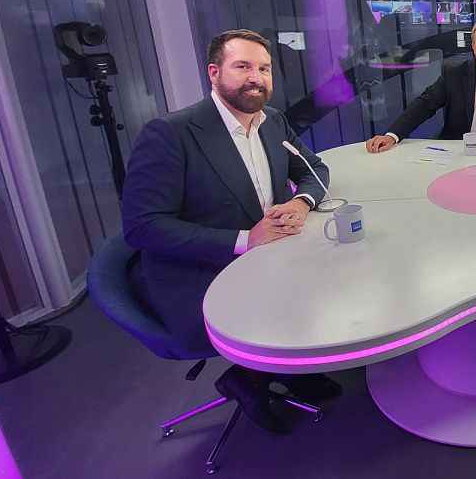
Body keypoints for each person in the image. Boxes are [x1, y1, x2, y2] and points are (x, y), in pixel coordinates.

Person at [122, 29, 340, 435]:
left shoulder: (273, 121)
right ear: (214, 73)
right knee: (287, 297)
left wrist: (301, 202)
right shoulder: (171, 133)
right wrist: (245, 240)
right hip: (201, 270)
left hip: (269, 254)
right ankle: (248, 377)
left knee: (331, 273)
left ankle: (291, 367)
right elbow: (142, 227)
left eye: (264, 69)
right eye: (242, 67)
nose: (256, 78)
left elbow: (315, 170)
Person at [365, 19, 476, 152]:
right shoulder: (454, 75)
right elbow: (424, 105)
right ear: (473, 48)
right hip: (459, 151)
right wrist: (392, 136)